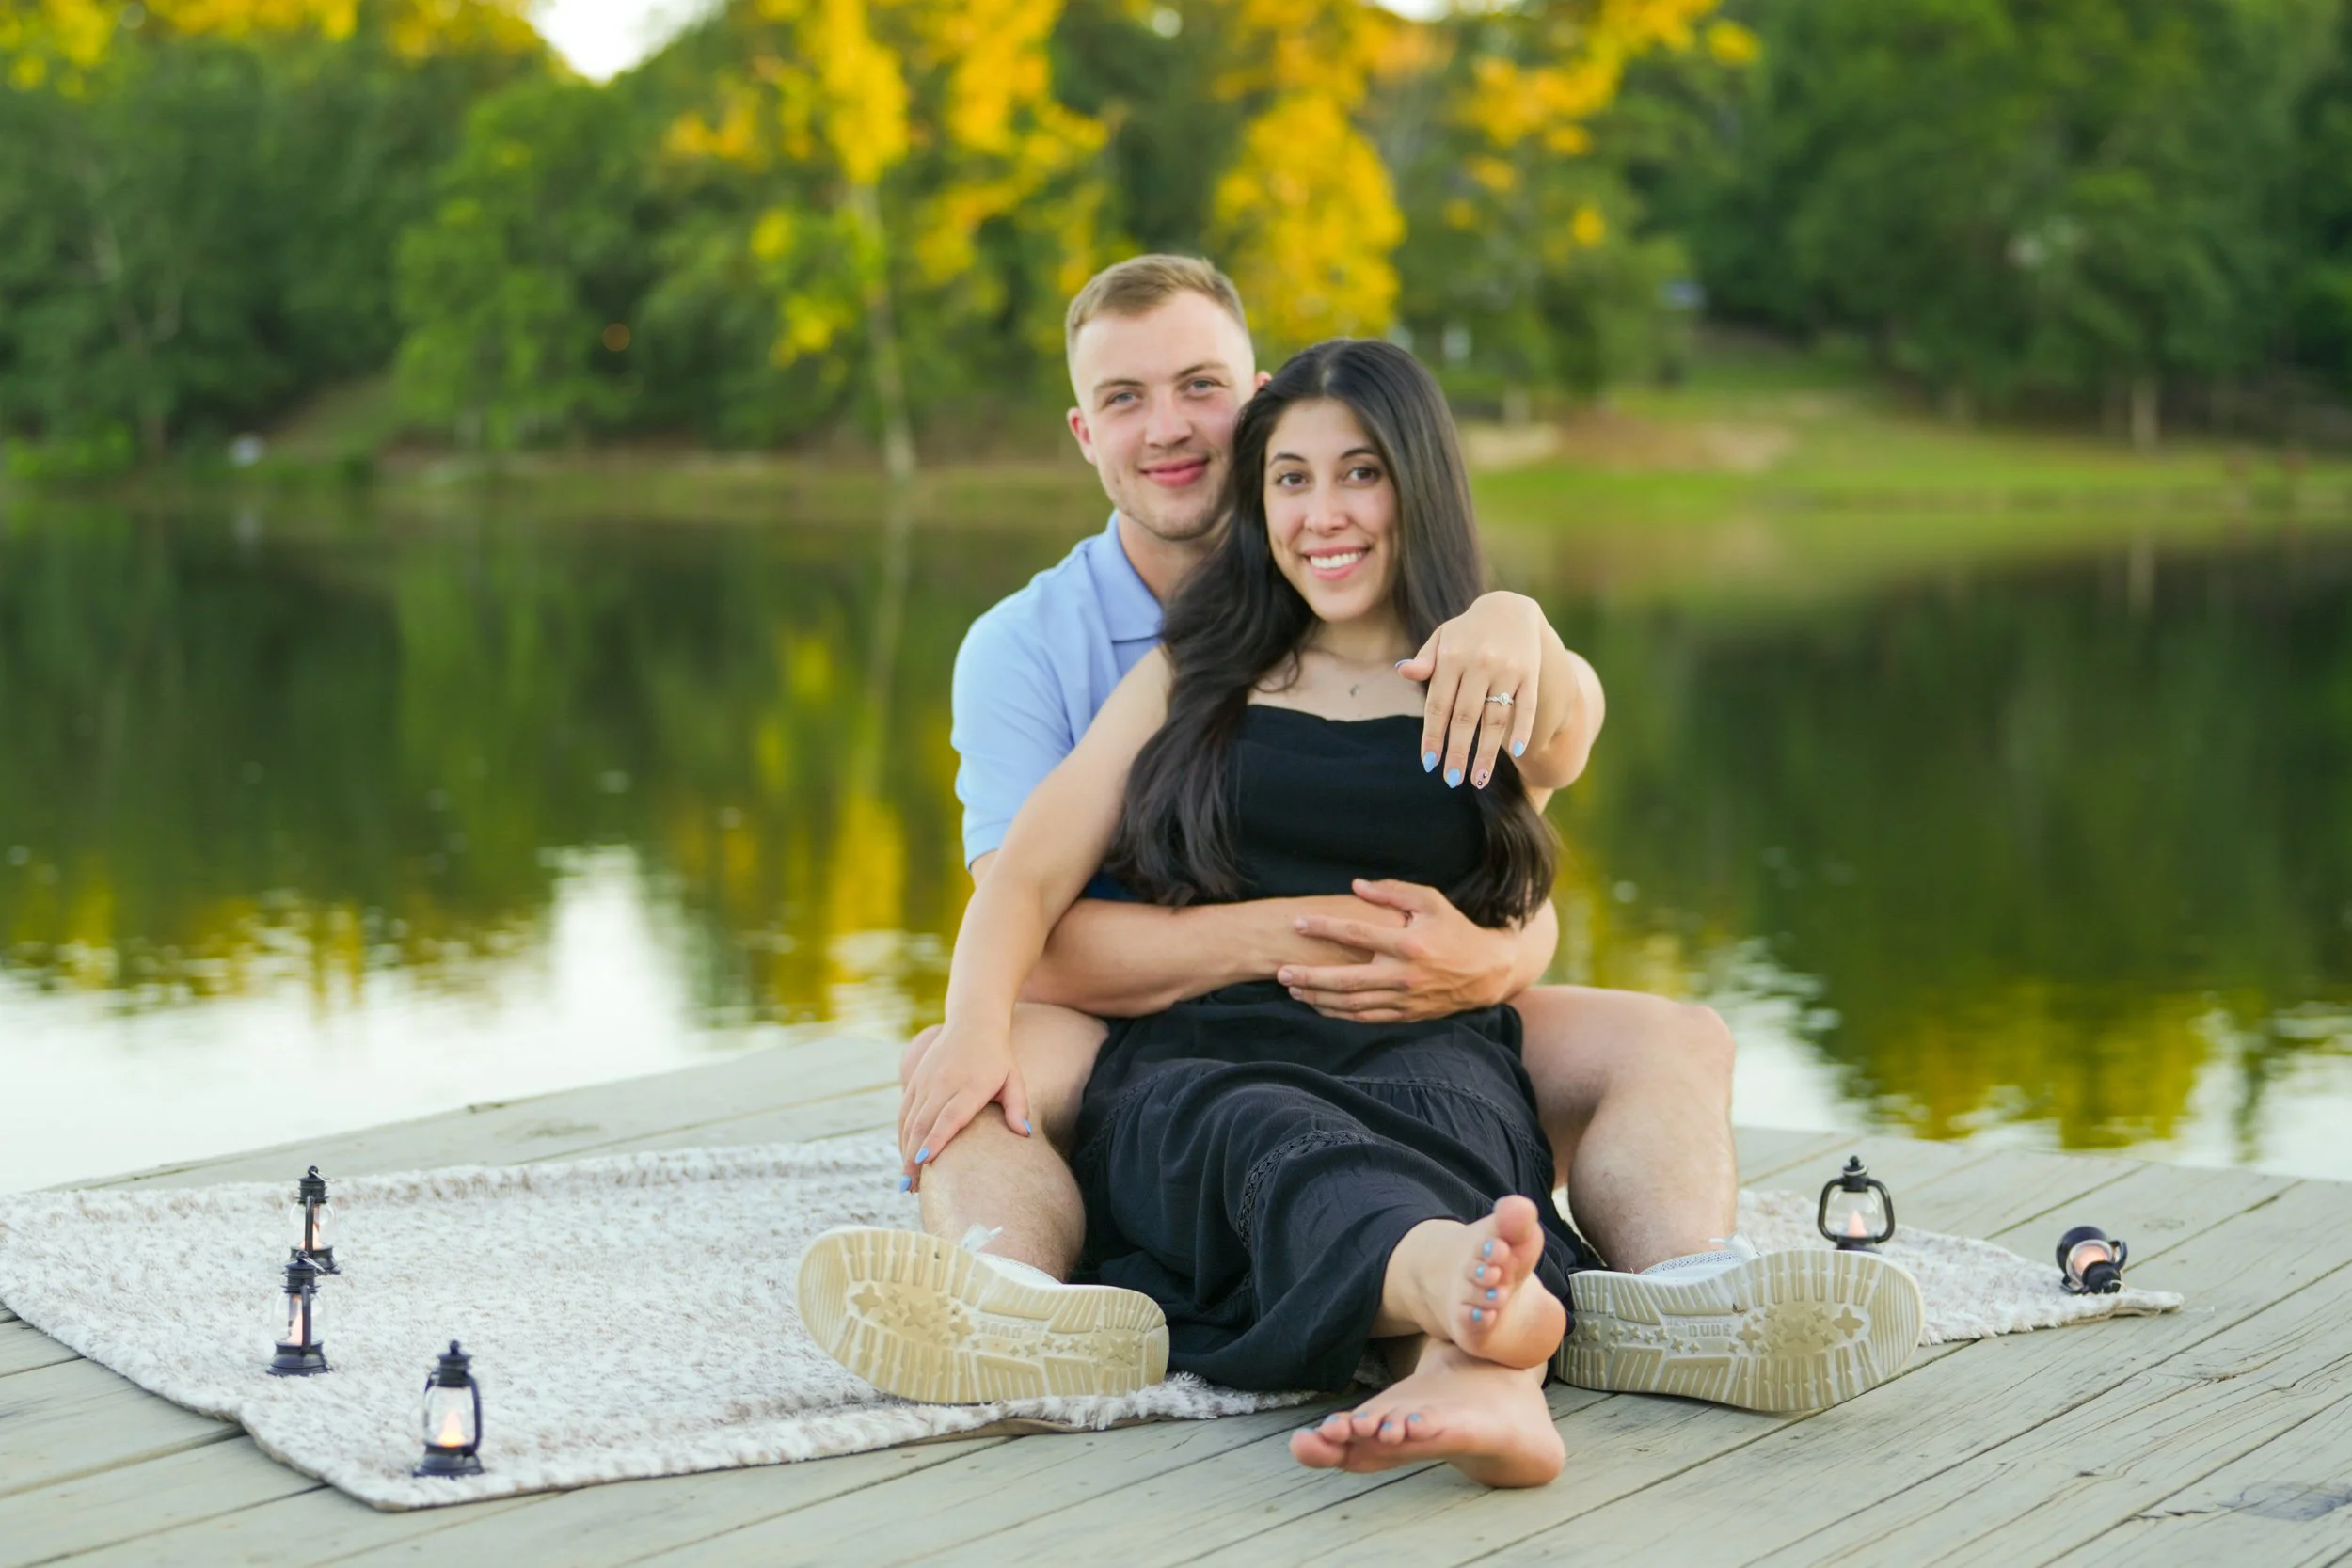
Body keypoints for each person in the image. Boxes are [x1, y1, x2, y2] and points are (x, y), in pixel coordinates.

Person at [798, 258, 1919, 1434]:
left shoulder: (1444, 645)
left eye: (1198, 387)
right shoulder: (1059, 650)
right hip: (1153, 1025)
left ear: (1258, 397)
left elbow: (1540, 787)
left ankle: (1686, 1296)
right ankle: (1011, 1293)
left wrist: (1517, 637)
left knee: (1676, 1036)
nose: (1170, 427)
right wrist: (1293, 936)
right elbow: (1032, 919)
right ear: (1084, 432)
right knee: (978, 1053)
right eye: (1126, 399)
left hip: (1425, 1022)